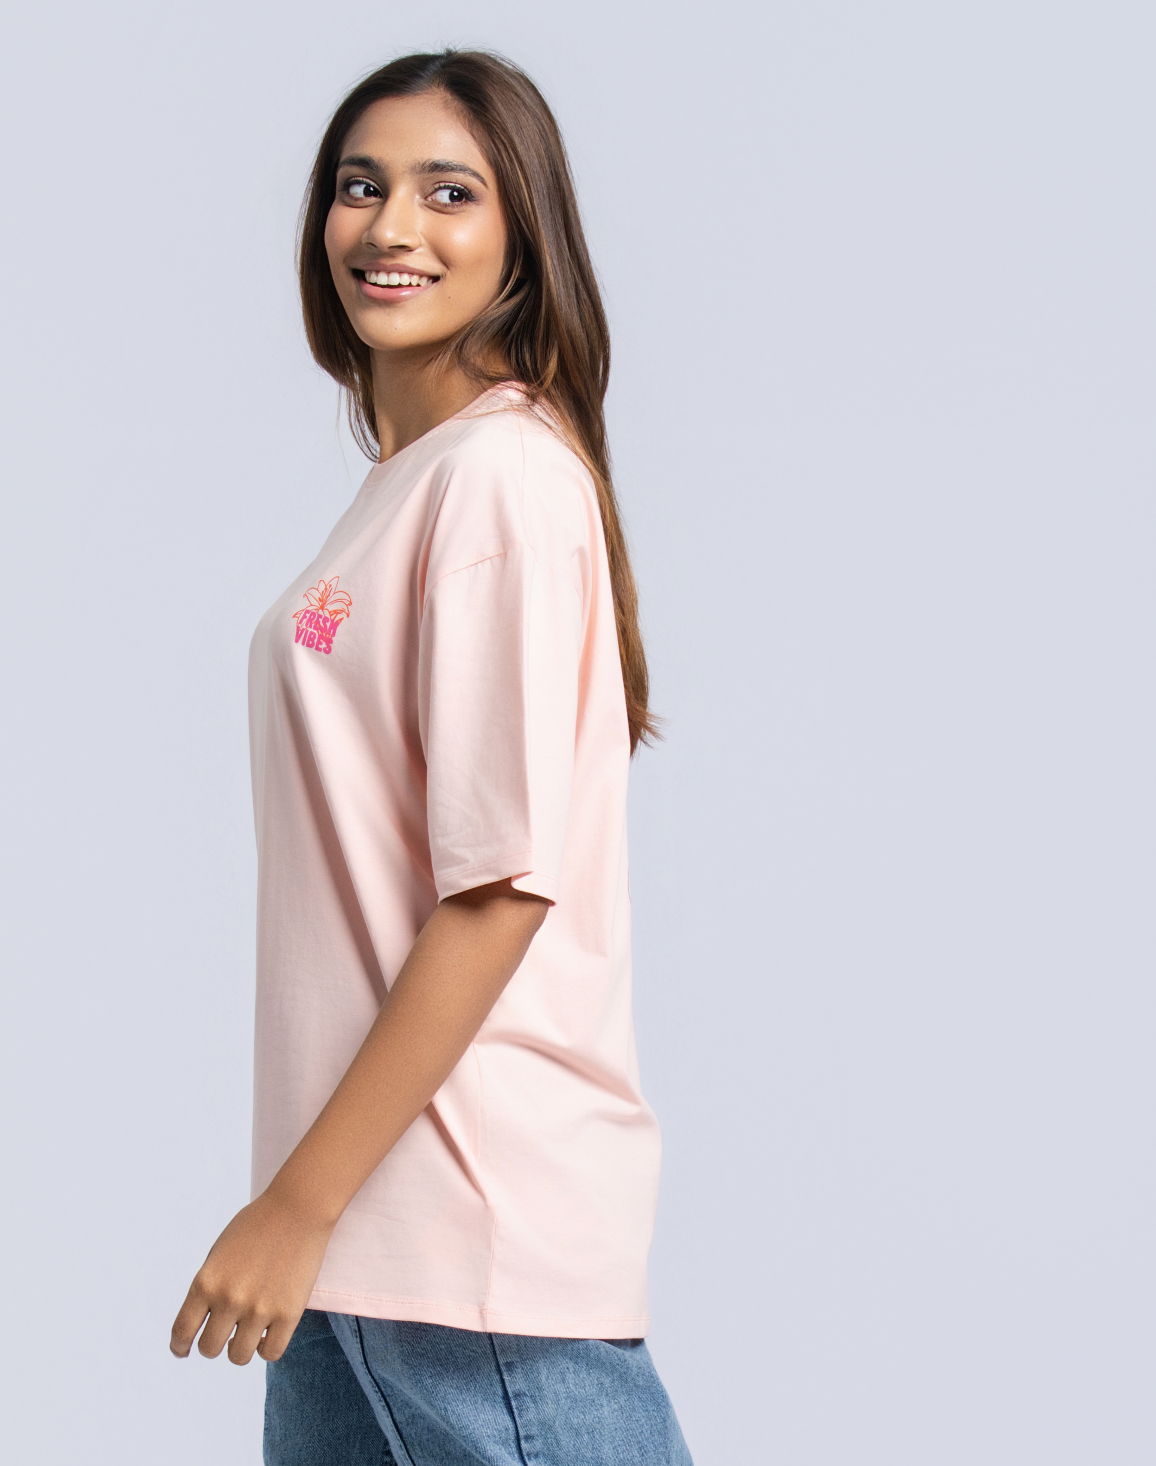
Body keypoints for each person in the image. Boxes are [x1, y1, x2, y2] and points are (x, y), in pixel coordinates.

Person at [169, 47, 695, 1466]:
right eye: (361, 186)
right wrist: (305, 1208)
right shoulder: (414, 485)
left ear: (524, 235)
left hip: (467, 1251)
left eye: (448, 192)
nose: (391, 226)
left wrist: (297, 1205)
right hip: (360, 1249)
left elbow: (498, 890)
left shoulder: (502, 478)